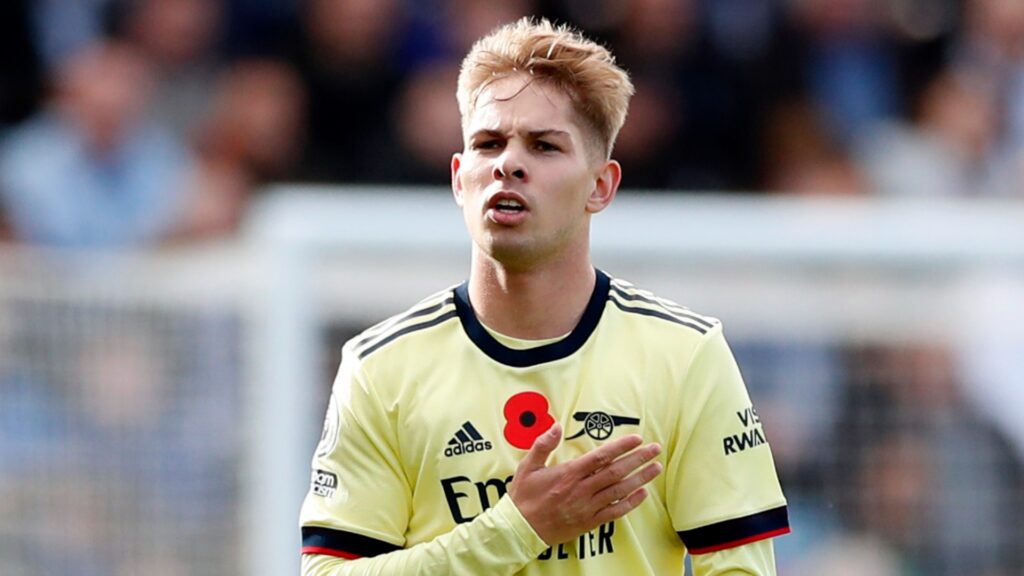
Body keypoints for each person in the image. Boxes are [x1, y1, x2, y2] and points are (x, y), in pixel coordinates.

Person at [299, 17, 790, 575]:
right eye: (488, 144)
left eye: (543, 146)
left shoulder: (686, 356)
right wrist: (517, 529)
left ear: (601, 186)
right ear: (460, 178)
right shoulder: (379, 368)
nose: (508, 163)